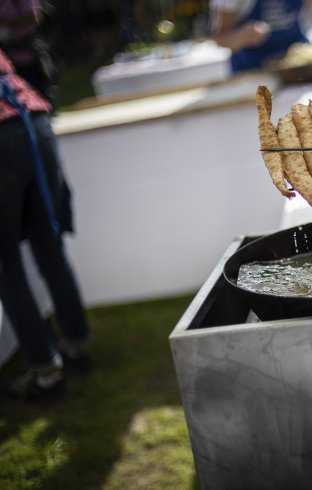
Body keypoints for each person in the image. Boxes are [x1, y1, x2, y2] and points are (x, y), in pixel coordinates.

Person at [0, 47, 91, 402]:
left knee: (8, 268)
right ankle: (77, 347)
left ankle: (47, 374)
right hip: (33, 122)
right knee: (50, 249)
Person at [0, 0, 58, 105]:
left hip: (28, 58)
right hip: (6, 63)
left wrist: (10, 24)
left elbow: (35, 17)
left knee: (41, 100)